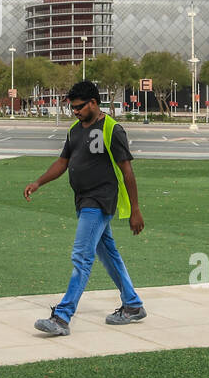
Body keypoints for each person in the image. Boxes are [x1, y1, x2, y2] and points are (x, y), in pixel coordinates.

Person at [23, 80, 146, 336]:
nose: (75, 112)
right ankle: (133, 305)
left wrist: (135, 209)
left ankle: (62, 317)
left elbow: (127, 172)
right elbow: (62, 162)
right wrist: (38, 182)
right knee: (107, 253)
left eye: (79, 107)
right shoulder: (75, 130)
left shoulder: (112, 129)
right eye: (72, 108)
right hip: (82, 199)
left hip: (100, 200)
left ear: (93, 102)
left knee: (82, 256)